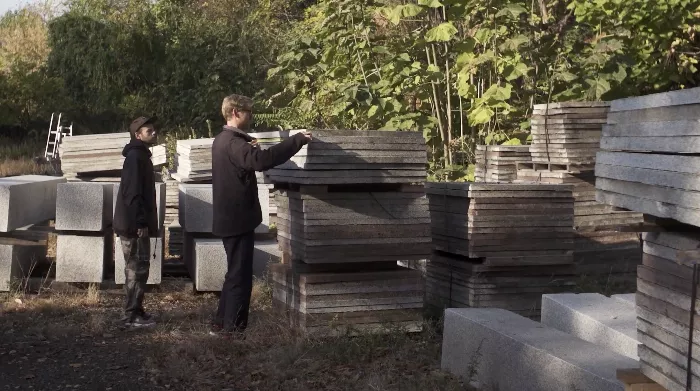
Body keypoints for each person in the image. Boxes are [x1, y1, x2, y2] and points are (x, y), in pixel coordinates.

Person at [211, 94, 311, 336]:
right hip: (236, 220)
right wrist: (297, 141)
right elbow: (261, 161)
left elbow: (246, 158)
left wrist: (250, 144)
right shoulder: (234, 143)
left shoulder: (224, 140)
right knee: (240, 276)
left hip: (229, 218)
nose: (251, 116)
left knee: (234, 271)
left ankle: (220, 323)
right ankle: (233, 331)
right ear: (235, 112)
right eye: (248, 112)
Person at [113, 116, 159, 328]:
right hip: (134, 226)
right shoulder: (135, 158)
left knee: (141, 268)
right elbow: (133, 194)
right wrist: (140, 223)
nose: (153, 132)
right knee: (135, 269)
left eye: (153, 129)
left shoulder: (140, 156)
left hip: (137, 223)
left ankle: (137, 310)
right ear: (137, 135)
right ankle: (130, 317)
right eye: (148, 130)